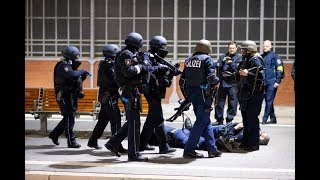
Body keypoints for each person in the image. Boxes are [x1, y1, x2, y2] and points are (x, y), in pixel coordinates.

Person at [104, 32, 149, 161]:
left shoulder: (131, 54)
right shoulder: (126, 55)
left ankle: (113, 143)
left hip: (132, 91)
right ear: (137, 43)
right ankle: (133, 154)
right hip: (128, 92)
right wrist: (142, 67)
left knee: (132, 122)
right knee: (135, 123)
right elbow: (129, 72)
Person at [179, 39, 222, 158]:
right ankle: (189, 149)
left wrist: (186, 96)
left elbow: (182, 80)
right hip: (204, 95)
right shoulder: (207, 59)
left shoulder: (188, 60)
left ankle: (212, 149)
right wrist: (218, 81)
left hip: (193, 95)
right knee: (200, 123)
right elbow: (211, 78)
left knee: (205, 121)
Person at [139, 35, 177, 154]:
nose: (164, 49)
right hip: (150, 90)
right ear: (157, 46)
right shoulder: (147, 56)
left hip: (157, 90)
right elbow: (148, 69)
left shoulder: (157, 57)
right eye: (162, 46)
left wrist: (171, 71)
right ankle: (163, 146)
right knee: (158, 118)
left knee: (152, 118)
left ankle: (142, 143)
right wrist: (160, 67)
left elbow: (162, 74)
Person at [49, 45, 91, 148]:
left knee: (68, 117)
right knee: (69, 118)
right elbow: (71, 75)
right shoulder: (63, 65)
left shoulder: (69, 66)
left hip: (70, 95)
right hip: (64, 95)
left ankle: (54, 134)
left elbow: (75, 80)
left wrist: (83, 76)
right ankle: (71, 141)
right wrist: (81, 71)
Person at [87, 44, 126, 153]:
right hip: (110, 97)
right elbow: (114, 80)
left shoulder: (103, 64)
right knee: (116, 120)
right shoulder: (110, 65)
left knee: (103, 120)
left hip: (104, 96)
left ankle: (92, 140)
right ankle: (116, 145)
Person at [149, 121, 270, 152]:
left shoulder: (243, 137)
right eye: (262, 131)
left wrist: (234, 128)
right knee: (186, 132)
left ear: (260, 140)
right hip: (209, 136)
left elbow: (227, 139)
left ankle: (156, 137)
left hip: (207, 142)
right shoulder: (247, 132)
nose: (260, 132)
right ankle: (152, 137)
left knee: (179, 135)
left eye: (261, 135)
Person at [236, 40, 265, 151]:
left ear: (249, 50)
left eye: (244, 50)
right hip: (246, 93)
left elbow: (261, 76)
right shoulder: (246, 59)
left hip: (255, 93)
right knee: (246, 119)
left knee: (252, 118)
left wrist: (248, 73)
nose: (242, 52)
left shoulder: (256, 60)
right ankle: (246, 142)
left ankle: (253, 144)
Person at [213, 41, 242, 125]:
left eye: (233, 48)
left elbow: (238, 69)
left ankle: (229, 119)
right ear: (228, 48)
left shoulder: (239, 58)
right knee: (219, 102)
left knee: (232, 103)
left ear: (236, 48)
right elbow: (217, 66)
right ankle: (219, 119)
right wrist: (223, 62)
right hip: (222, 83)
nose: (231, 50)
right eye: (230, 48)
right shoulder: (223, 56)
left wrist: (231, 63)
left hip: (233, 84)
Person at [261, 40, 285, 124]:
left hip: (272, 82)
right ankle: (273, 118)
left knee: (268, 100)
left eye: (267, 46)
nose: (265, 47)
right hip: (263, 82)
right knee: (268, 100)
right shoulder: (261, 57)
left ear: (271, 46)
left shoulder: (275, 57)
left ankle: (264, 119)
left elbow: (280, 69)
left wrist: (277, 81)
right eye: (264, 46)